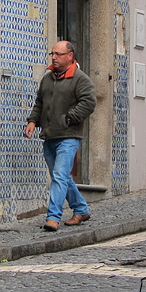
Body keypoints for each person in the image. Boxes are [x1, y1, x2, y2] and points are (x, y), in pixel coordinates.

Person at [24, 40, 96, 231]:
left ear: (70, 56)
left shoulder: (80, 79)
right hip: (49, 137)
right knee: (62, 176)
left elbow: (89, 102)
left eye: (58, 54)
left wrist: (69, 118)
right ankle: (81, 209)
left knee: (59, 175)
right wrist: (33, 121)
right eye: (52, 54)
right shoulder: (47, 79)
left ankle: (53, 217)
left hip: (69, 136)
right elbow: (40, 102)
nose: (54, 57)